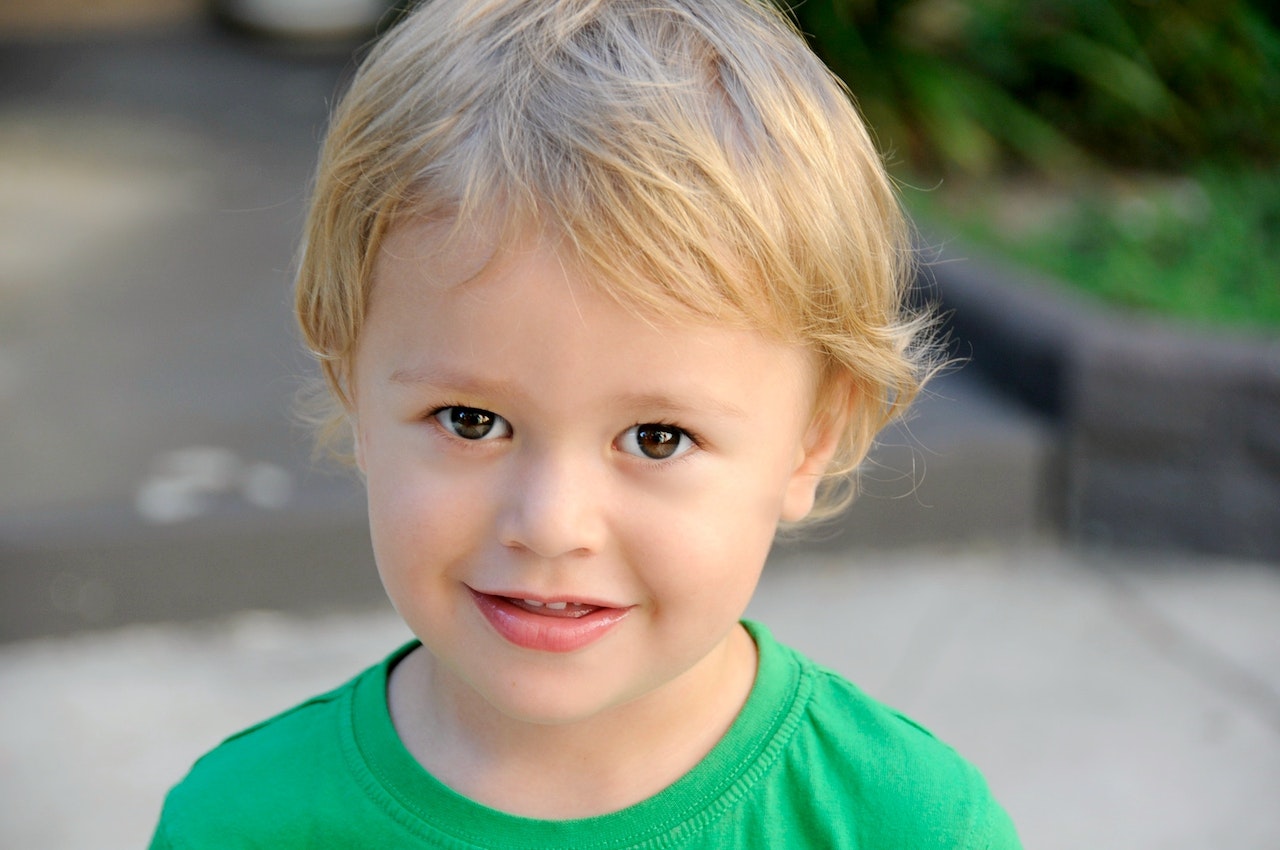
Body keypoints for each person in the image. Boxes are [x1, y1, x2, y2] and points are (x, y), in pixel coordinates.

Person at [150, 0, 1021, 846]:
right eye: (471, 419)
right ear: (353, 390)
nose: (551, 523)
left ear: (812, 441)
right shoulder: (241, 823)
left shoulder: (911, 825)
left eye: (657, 438)